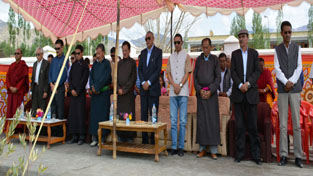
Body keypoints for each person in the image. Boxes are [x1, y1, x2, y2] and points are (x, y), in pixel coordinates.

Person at [274, 21, 303, 168]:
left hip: (295, 89)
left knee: (297, 125)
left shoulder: (297, 48)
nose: (287, 35)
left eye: (289, 32)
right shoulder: (277, 49)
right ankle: (284, 155)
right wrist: (285, 82)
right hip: (283, 90)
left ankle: (298, 156)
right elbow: (277, 68)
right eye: (285, 32)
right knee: (283, 125)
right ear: (281, 33)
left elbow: (299, 68)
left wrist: (291, 81)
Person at [231, 29, 262, 165]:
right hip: (238, 95)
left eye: (244, 37)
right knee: (240, 127)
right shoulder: (234, 54)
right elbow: (233, 72)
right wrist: (239, 85)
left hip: (251, 94)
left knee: (253, 127)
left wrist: (247, 84)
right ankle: (240, 154)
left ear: (248, 39)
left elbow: (257, 71)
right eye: (240, 37)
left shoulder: (254, 54)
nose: (242, 39)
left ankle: (256, 156)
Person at [194, 38, 220, 160]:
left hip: (211, 96)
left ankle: (214, 151)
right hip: (201, 96)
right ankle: (202, 149)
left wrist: (210, 90)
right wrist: (200, 90)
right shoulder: (198, 60)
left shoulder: (215, 60)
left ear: (211, 47)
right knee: (202, 122)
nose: (205, 49)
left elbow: (218, 78)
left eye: (207, 47)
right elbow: (194, 78)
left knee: (212, 122)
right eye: (203, 47)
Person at [166, 33, 192, 157]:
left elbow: (187, 73)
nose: (176, 44)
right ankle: (174, 147)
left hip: (183, 92)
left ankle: (181, 147)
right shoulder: (170, 57)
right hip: (172, 93)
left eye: (178, 42)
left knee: (182, 121)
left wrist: (180, 86)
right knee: (173, 120)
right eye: (174, 42)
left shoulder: (187, 56)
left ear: (182, 43)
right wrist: (174, 85)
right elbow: (168, 74)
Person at [138, 31, 162, 144]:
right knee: (143, 115)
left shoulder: (158, 52)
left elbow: (158, 70)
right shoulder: (142, 53)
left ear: (153, 39)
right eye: (146, 39)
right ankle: (144, 141)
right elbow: (140, 69)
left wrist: (149, 82)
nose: (148, 41)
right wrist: (143, 82)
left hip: (153, 89)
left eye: (149, 38)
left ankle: (153, 141)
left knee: (153, 116)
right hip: (143, 89)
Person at [89, 44, 112, 147]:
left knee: (102, 116)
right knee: (94, 116)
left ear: (103, 52)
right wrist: (92, 87)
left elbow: (106, 78)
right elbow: (91, 77)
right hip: (95, 94)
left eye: (99, 53)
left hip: (103, 93)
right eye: (96, 53)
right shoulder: (94, 64)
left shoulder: (107, 64)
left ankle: (102, 139)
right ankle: (94, 138)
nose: (97, 55)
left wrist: (97, 87)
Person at [67, 45, 89, 145]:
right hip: (73, 94)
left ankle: (81, 136)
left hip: (80, 94)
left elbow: (84, 80)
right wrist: (71, 89)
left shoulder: (85, 65)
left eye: (78, 53)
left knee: (80, 115)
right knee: (73, 115)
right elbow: (70, 78)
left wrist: (77, 90)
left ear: (82, 53)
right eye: (75, 53)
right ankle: (74, 136)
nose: (77, 55)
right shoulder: (74, 65)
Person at [116, 41, 137, 142]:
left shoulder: (132, 63)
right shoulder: (119, 63)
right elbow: (115, 78)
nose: (124, 52)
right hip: (120, 96)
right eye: (123, 51)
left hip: (128, 96)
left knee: (128, 117)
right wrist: (118, 89)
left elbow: (133, 79)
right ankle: (121, 136)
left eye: (126, 50)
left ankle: (129, 137)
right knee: (120, 117)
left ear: (129, 50)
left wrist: (124, 90)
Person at [49, 39, 69, 136]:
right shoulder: (53, 60)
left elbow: (64, 75)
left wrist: (56, 86)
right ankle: (53, 131)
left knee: (60, 110)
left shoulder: (65, 59)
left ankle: (61, 133)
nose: (57, 50)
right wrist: (51, 85)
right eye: (55, 48)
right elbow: (50, 73)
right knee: (53, 110)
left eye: (58, 48)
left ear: (62, 48)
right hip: (52, 87)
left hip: (59, 88)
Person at [6, 48, 29, 118]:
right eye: (15, 53)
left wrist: (17, 88)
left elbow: (23, 79)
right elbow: (7, 77)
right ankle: (9, 127)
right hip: (11, 92)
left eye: (18, 53)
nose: (16, 55)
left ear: (21, 55)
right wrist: (10, 87)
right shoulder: (11, 66)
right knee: (10, 110)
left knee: (18, 110)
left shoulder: (23, 66)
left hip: (18, 92)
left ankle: (18, 128)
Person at [31, 47, 50, 117]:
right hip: (35, 87)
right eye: (36, 54)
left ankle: (42, 127)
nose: (37, 56)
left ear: (42, 54)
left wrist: (45, 91)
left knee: (41, 108)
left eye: (38, 54)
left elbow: (47, 78)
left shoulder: (46, 64)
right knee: (34, 107)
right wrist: (31, 90)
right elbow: (33, 78)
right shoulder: (35, 64)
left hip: (42, 88)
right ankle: (34, 127)